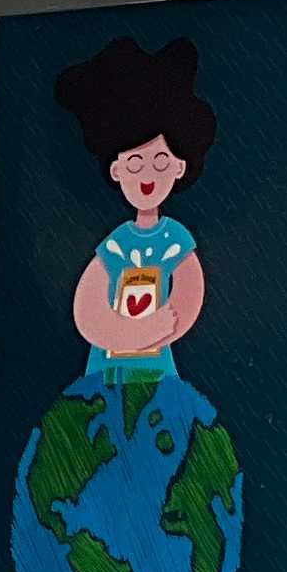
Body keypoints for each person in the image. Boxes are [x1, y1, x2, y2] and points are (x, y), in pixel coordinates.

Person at [54, 31, 218, 424]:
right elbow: (88, 306)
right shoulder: (116, 245)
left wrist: (156, 329)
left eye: (159, 161)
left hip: (157, 368)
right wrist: (124, 333)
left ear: (178, 167)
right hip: (106, 368)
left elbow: (188, 297)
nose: (147, 175)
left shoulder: (174, 240)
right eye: (134, 163)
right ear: (116, 170)